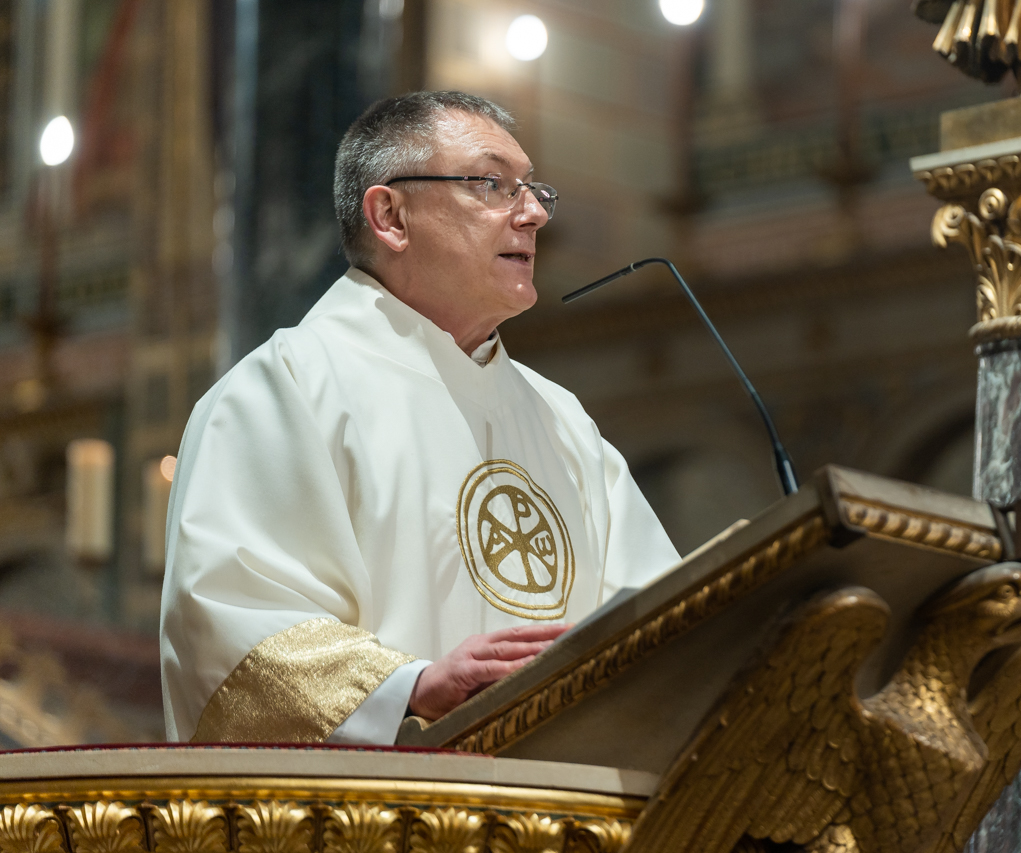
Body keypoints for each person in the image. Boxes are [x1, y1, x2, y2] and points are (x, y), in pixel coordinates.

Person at [159, 91, 681, 744]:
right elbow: (226, 630)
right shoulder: (284, 388)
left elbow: (662, 629)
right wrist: (409, 689)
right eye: (492, 184)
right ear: (391, 217)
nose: (533, 214)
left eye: (533, 190)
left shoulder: (564, 422)